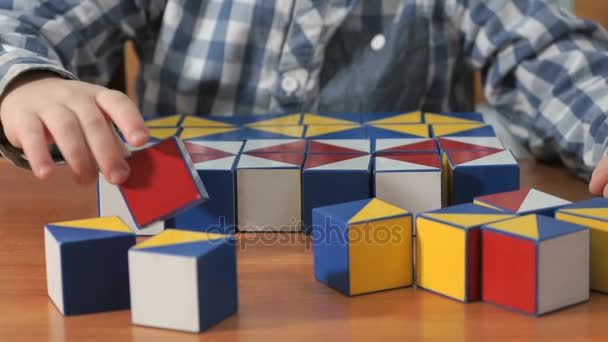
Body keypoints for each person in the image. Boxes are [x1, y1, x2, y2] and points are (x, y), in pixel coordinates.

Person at [0, 1, 607, 194]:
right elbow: (23, 19)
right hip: (189, 231)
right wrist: (27, 80)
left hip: (404, 248)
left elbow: (553, 54)